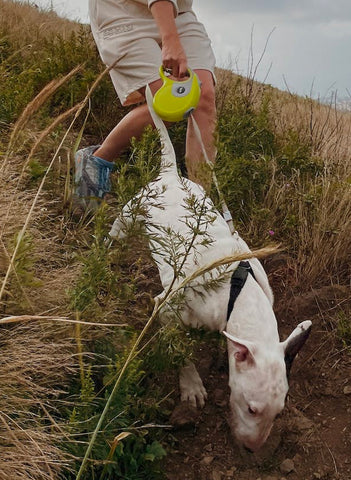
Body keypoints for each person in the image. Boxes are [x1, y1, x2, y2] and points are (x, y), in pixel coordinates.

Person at [75, 0, 217, 205]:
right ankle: (97, 159)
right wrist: (170, 40)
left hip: (179, 12)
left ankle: (197, 209)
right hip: (122, 11)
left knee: (203, 97)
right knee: (170, 102)